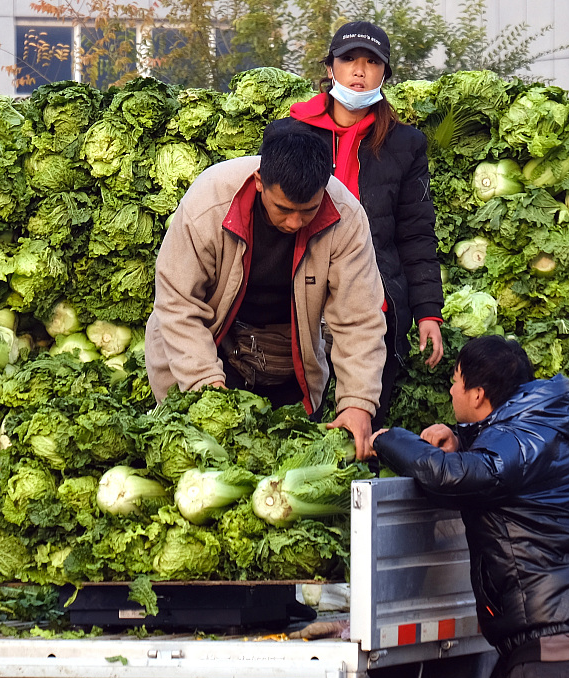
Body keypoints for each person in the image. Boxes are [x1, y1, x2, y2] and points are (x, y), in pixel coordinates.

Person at [370, 335, 569, 678]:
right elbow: (498, 469)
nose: (451, 391)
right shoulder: (539, 429)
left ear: (478, 394)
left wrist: (388, 438)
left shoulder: (524, 440)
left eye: (455, 380)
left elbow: (449, 477)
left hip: (552, 664)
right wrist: (460, 442)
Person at [144, 121, 387, 458]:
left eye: (308, 211)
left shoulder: (345, 217)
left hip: (288, 354)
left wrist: (359, 403)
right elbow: (177, 305)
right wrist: (207, 391)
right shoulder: (209, 202)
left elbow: (358, 319)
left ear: (324, 190)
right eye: (284, 209)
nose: (294, 223)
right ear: (259, 182)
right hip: (205, 345)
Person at [267, 20, 445, 428]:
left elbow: (415, 233)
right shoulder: (289, 132)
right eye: (349, 60)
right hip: (297, 302)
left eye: (372, 62)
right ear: (331, 68)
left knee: (361, 425)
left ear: (385, 73)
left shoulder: (405, 144)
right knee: (294, 428)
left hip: (372, 301)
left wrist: (428, 312)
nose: (360, 71)